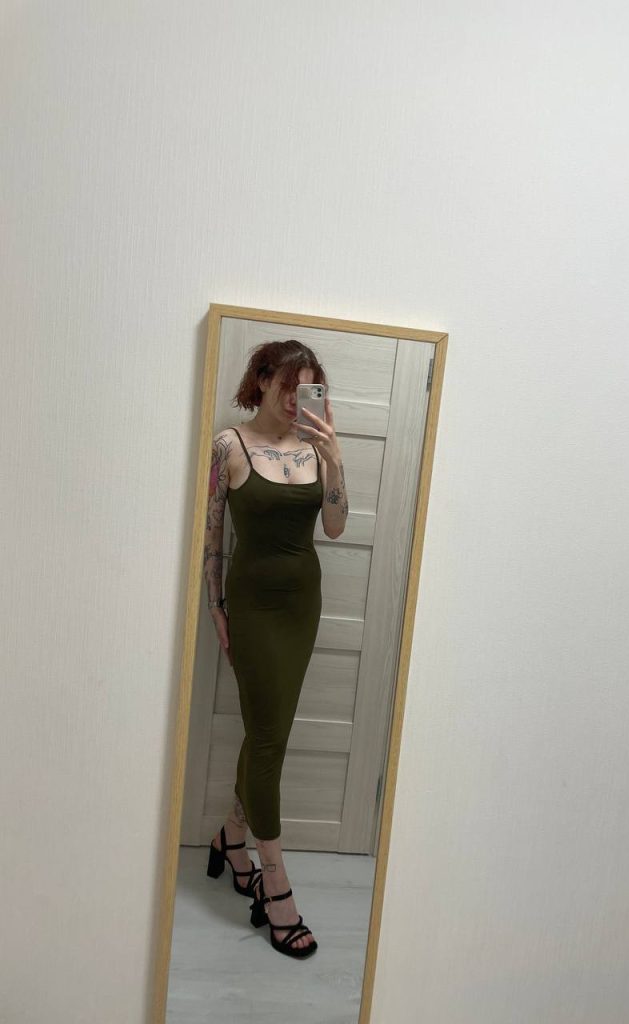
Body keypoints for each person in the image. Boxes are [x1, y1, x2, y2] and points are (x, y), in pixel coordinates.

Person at [202, 339, 348, 959]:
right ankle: (276, 886)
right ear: (262, 380)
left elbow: (334, 527)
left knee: (272, 733)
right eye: (289, 385)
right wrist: (217, 608)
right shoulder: (229, 446)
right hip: (254, 610)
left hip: (301, 606)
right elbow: (213, 535)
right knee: (268, 741)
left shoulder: (315, 448)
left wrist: (335, 460)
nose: (296, 400)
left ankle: (231, 838)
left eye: (308, 388)